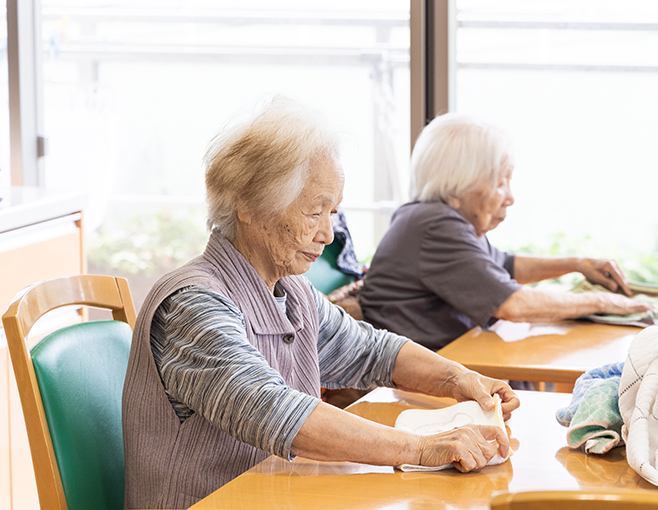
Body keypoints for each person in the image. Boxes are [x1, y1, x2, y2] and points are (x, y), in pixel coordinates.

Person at [121, 98, 518, 509]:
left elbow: (372, 352)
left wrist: (458, 379)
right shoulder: (192, 305)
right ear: (249, 204)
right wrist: (420, 449)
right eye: (314, 212)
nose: (328, 235)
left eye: (334, 212)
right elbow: (276, 412)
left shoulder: (291, 292)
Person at [359, 113, 654, 352]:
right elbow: (515, 304)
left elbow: (506, 266)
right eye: (500, 182)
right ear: (460, 182)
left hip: (452, 358)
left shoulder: (435, 218)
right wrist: (603, 303)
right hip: (419, 382)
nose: (510, 197)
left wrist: (577, 264)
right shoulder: (435, 226)